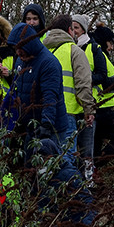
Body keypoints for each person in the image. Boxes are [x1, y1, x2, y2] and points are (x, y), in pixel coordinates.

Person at [0, 24, 65, 150]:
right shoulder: (21, 61)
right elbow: (18, 90)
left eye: (20, 48)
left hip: (51, 129)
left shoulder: (48, 63)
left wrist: (46, 125)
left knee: (51, 166)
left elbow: (50, 97)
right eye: (15, 48)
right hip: (30, 126)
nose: (18, 52)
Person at [43, 15, 95, 163]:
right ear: (69, 30)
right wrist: (88, 109)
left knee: (47, 157)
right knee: (66, 157)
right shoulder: (74, 51)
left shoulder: (42, 50)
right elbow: (83, 83)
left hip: (44, 113)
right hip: (67, 113)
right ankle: (67, 186)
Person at [87, 25, 114, 165]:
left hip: (97, 107)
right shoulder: (98, 53)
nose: (111, 47)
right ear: (105, 41)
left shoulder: (94, 51)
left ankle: (93, 172)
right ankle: (95, 167)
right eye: (111, 43)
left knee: (94, 146)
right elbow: (105, 82)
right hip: (101, 109)